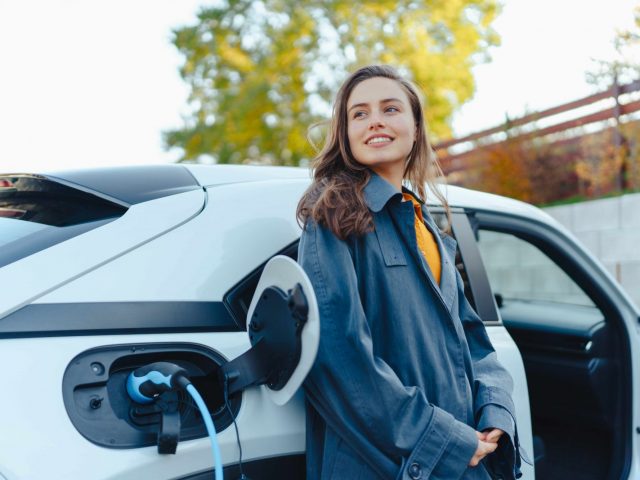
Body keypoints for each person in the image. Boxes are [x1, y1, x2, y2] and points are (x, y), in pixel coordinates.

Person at [296, 64, 525, 480]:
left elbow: (472, 338)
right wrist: (444, 438)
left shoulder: (426, 226)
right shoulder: (332, 215)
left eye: (390, 108)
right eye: (359, 113)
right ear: (345, 133)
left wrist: (494, 411)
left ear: (416, 128)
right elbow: (339, 358)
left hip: (462, 456)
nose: (375, 121)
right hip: (389, 462)